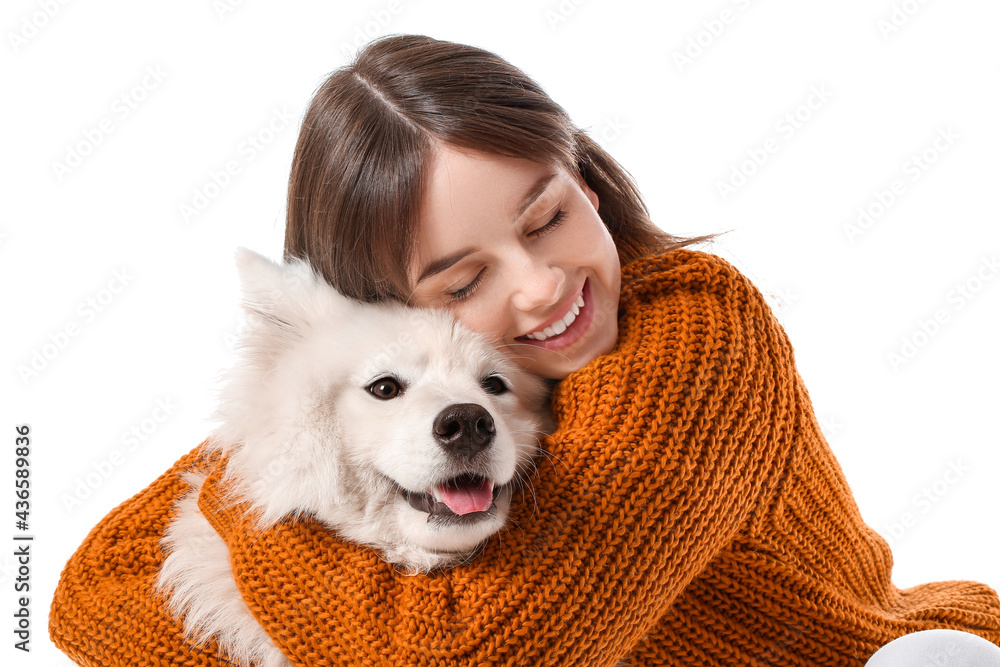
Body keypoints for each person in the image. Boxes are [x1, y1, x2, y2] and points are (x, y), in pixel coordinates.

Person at [49, 33, 1000, 666]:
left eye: (546, 218)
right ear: (384, 307)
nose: (541, 285)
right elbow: (90, 593)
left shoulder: (698, 337)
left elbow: (484, 654)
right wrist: (280, 433)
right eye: (464, 283)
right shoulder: (408, 391)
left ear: (583, 179)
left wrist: (273, 539)